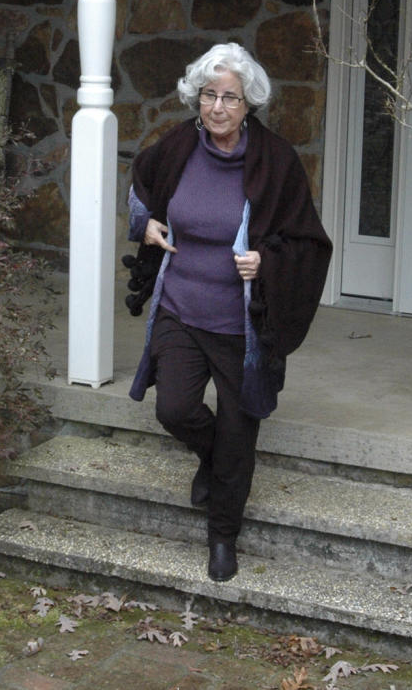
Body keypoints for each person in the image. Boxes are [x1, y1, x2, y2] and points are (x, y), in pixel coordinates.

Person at [125, 41, 331, 583]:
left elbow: (307, 241)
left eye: (230, 98)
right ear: (197, 98)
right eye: (209, 95)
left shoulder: (276, 162)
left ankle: (222, 537)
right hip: (180, 309)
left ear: (249, 105)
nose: (218, 107)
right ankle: (215, 463)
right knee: (174, 409)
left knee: (239, 436)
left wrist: (266, 261)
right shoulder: (177, 148)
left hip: (241, 324)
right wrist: (142, 224)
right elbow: (141, 187)